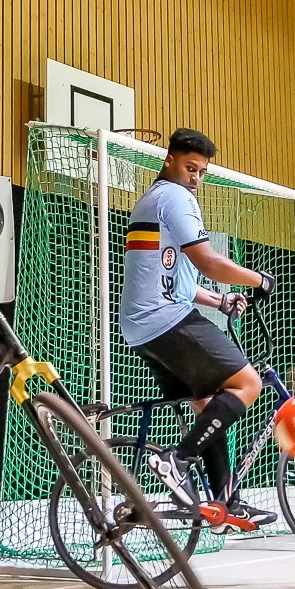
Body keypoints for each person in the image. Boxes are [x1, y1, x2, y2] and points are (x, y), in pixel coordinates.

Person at [118, 128, 277, 529]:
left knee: (208, 406)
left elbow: (179, 282)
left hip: (143, 327)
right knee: (248, 385)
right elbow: (207, 262)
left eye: (202, 172)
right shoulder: (174, 198)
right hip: (163, 321)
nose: (197, 178)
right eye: (191, 168)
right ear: (169, 159)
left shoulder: (153, 201)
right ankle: (177, 460)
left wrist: (219, 300)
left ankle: (227, 502)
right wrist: (258, 280)